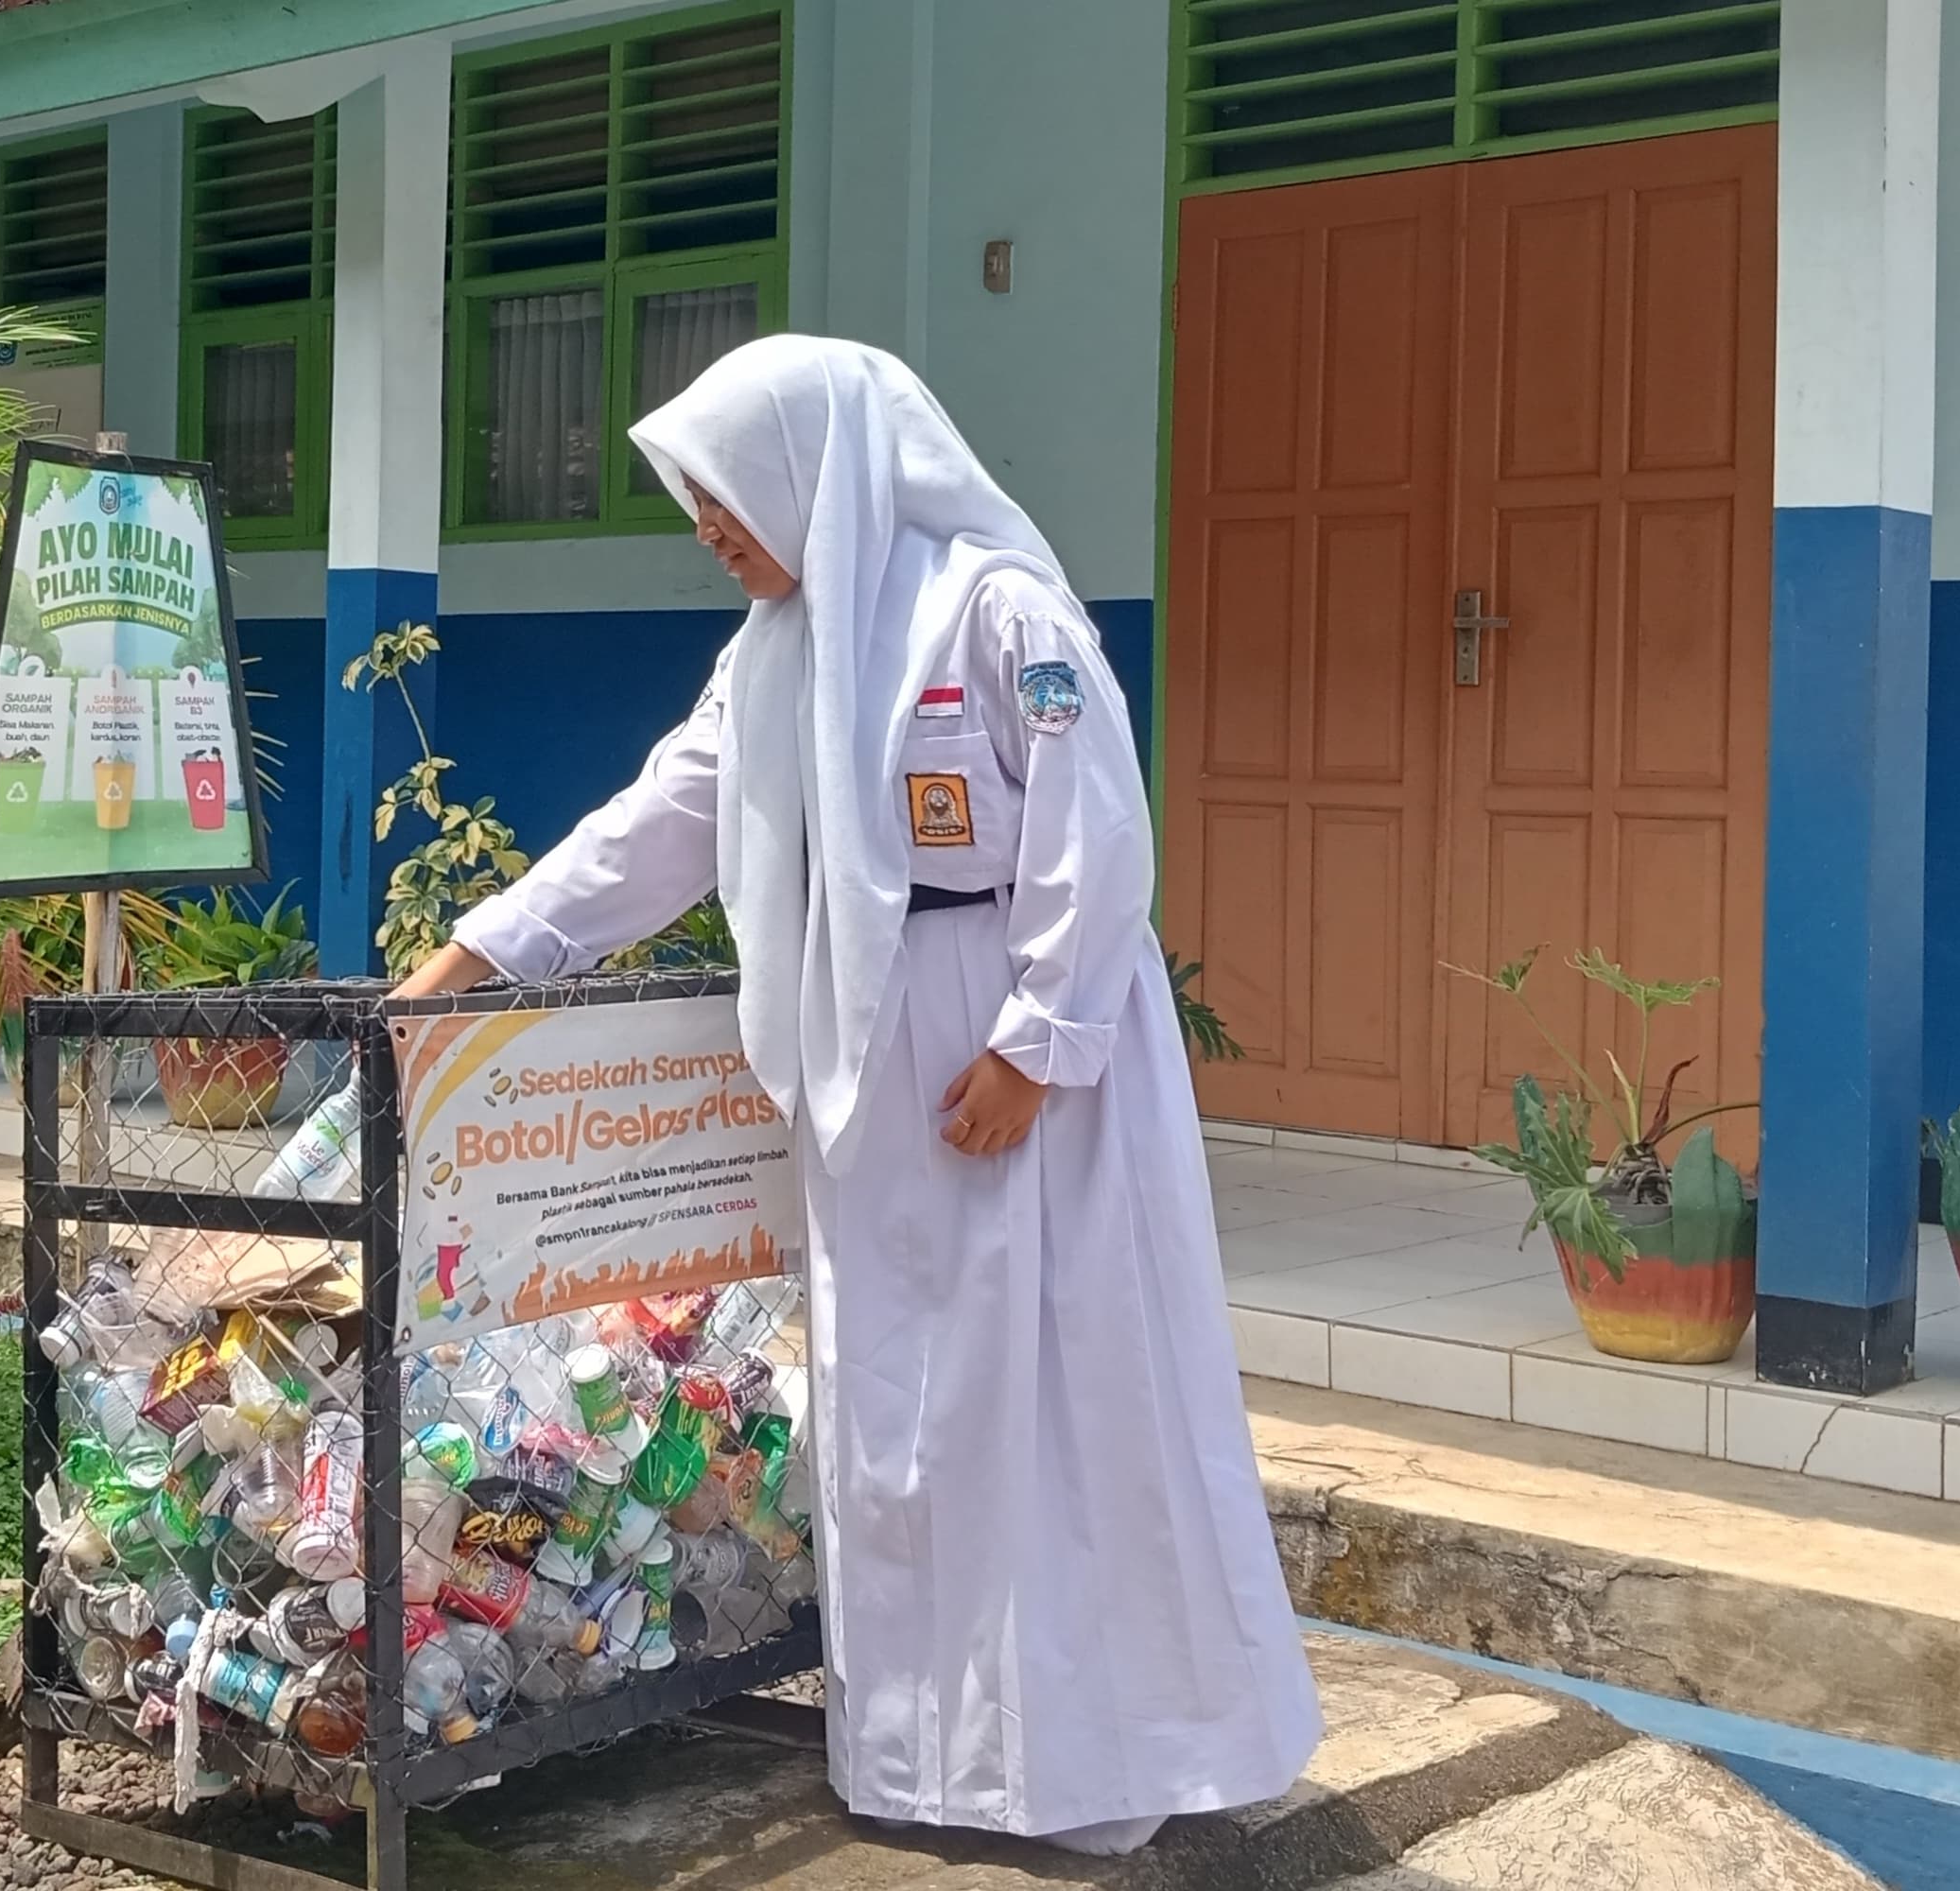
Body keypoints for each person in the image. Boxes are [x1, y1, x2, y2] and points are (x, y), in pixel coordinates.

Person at [393, 336, 1321, 1853]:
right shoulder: (770, 658)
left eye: (724, 497)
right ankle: (929, 1766)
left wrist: (1039, 1043)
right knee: (907, 1414)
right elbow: (658, 827)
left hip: (1024, 1051)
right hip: (869, 1054)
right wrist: (483, 951)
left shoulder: (994, 610)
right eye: (697, 506)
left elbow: (1101, 833)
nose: (710, 530)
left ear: (812, 469)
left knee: (1061, 1400)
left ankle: (1099, 1769)